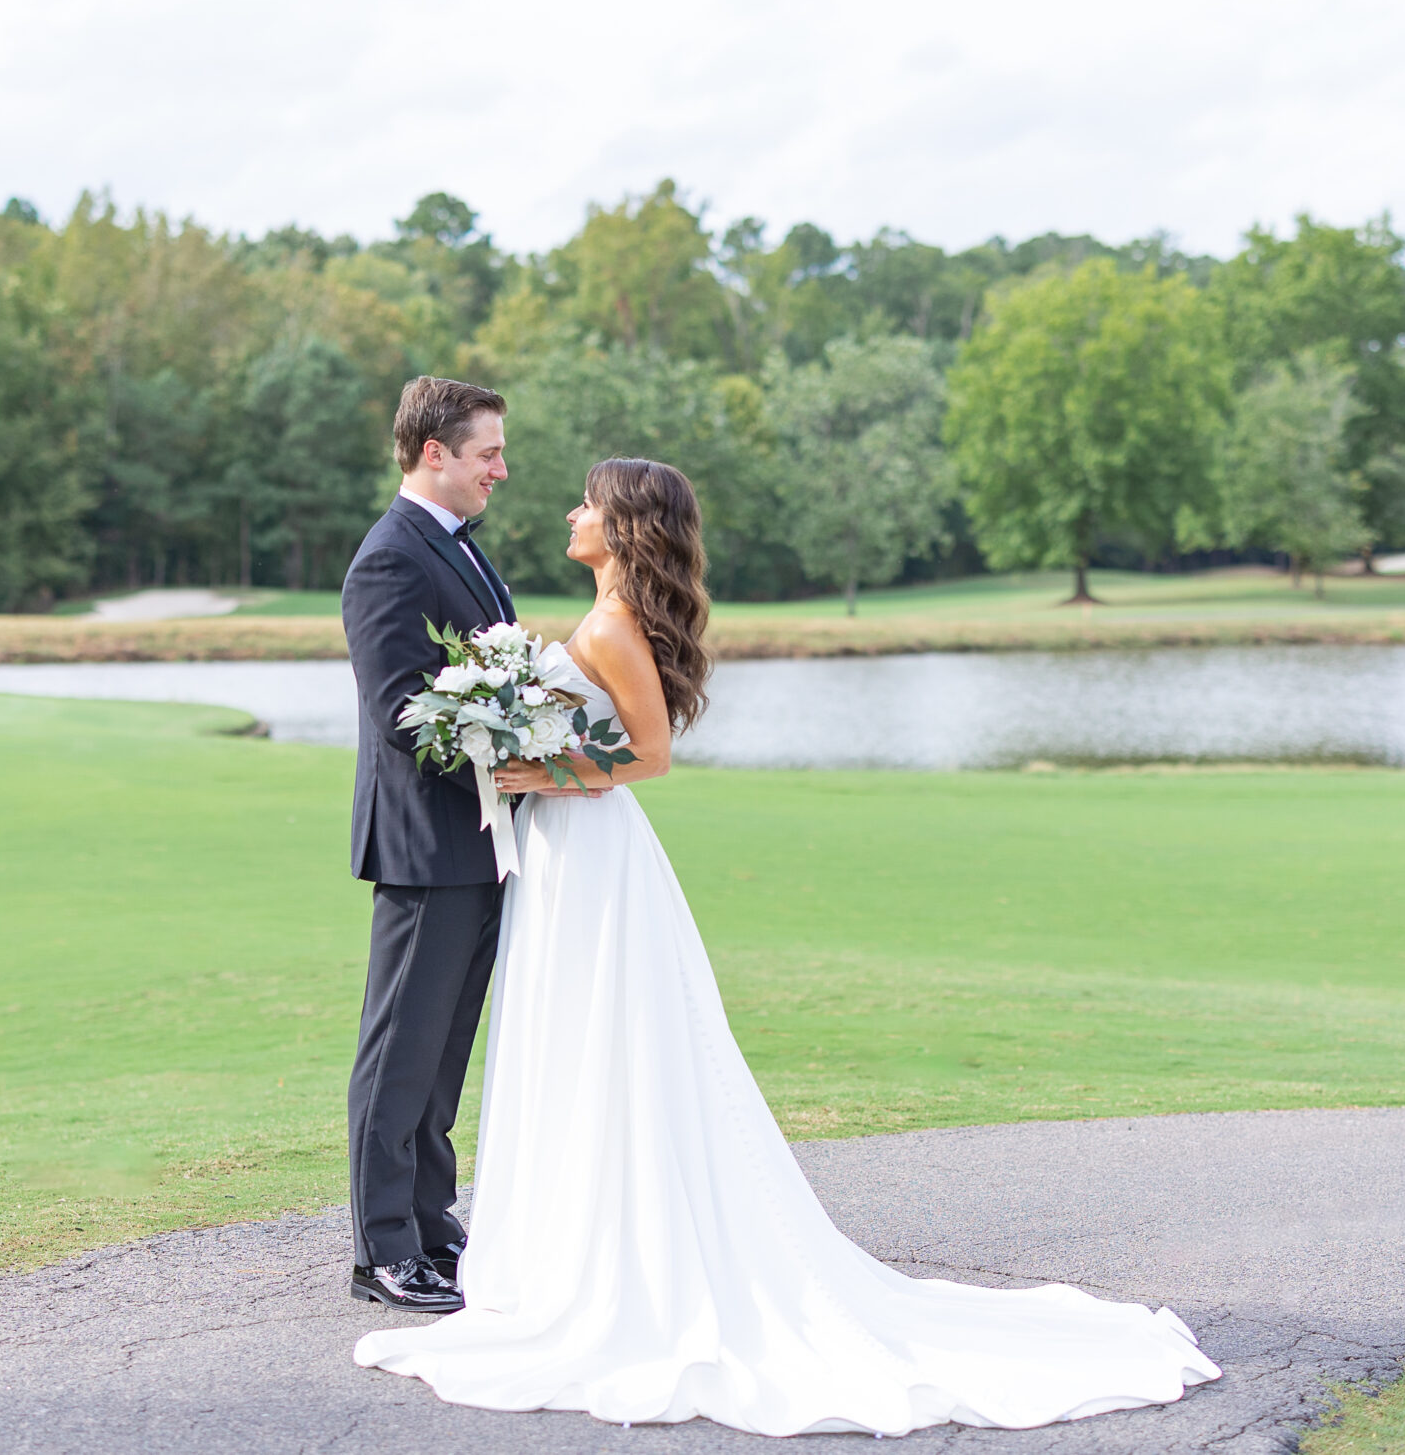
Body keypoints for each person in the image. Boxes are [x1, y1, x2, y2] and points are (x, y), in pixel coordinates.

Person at [354, 457, 1221, 1437]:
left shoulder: (608, 624)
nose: (570, 510)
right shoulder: (603, 614)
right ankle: (573, 1245)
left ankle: (606, 1262)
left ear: (624, 525)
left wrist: (529, 766)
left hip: (589, 850)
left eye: (588, 503)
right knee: (572, 1041)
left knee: (601, 1040)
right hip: (562, 856)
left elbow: (647, 753)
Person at [340, 376, 534, 1314]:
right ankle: (381, 1246)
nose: (501, 467)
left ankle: (429, 1216)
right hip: (426, 843)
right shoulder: (388, 558)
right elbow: (405, 714)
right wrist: (516, 765)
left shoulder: (459, 546)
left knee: (445, 1045)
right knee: (399, 1049)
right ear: (435, 455)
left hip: (480, 841)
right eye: (488, 451)